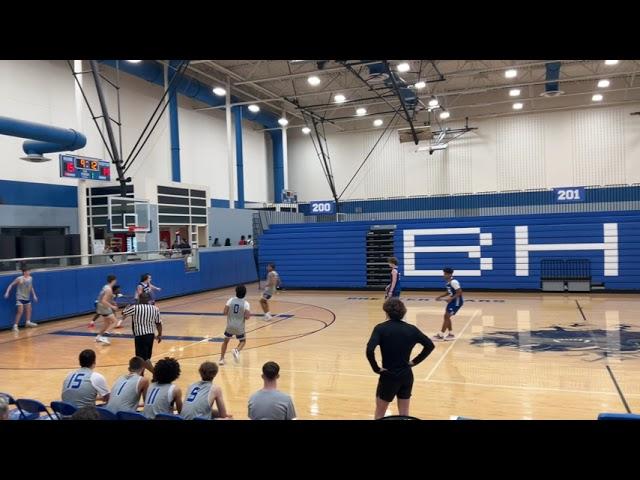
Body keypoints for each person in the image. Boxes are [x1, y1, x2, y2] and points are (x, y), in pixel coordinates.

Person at [366, 298, 435, 419]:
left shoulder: (380, 328)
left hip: (388, 376)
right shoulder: (412, 329)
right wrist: (414, 362)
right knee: (404, 414)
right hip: (406, 375)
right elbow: (430, 345)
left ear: (386, 312)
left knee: (380, 411)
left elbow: (370, 350)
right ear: (403, 312)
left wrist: (376, 368)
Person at [122, 292, 162, 373]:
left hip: (140, 336)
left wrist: (127, 306)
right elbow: (158, 323)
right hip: (151, 335)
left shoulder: (135, 308)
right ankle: (141, 374)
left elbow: (124, 313)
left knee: (142, 358)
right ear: (148, 300)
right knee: (146, 357)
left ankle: (156, 374)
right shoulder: (155, 309)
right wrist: (160, 334)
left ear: (139, 299)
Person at [219, 285, 250, 365]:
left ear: (236, 292)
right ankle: (237, 350)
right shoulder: (246, 304)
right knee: (243, 341)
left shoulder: (230, 300)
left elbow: (224, 312)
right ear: (245, 293)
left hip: (230, 326)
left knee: (225, 341)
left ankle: (221, 359)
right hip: (239, 327)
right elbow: (247, 317)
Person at [4, 265, 38, 332]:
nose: (29, 272)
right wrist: (7, 292)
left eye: (29, 271)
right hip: (20, 297)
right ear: (24, 272)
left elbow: (31, 287)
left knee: (29, 310)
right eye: (28, 271)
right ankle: (15, 326)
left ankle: (28, 322)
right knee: (20, 311)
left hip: (27, 297)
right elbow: (11, 285)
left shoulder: (30, 278)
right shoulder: (19, 278)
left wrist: (34, 295)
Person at [433, 267, 464, 341]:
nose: (444, 275)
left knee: (447, 316)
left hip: (457, 302)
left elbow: (459, 292)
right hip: (453, 301)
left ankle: (441, 335)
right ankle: (451, 334)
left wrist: (451, 298)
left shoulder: (454, 282)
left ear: (450, 274)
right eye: (444, 273)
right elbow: (448, 292)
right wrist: (440, 296)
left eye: (445, 274)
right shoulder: (448, 282)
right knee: (446, 316)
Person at [93, 275, 119, 344]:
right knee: (115, 322)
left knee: (106, 323)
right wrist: (112, 307)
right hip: (103, 307)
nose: (116, 282)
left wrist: (113, 301)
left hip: (100, 306)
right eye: (115, 280)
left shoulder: (106, 286)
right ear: (113, 281)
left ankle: (98, 337)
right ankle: (104, 337)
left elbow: (104, 298)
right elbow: (104, 301)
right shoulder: (109, 289)